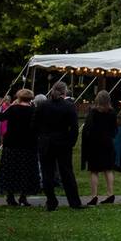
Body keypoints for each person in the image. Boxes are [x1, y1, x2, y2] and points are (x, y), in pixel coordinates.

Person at [34, 82, 84, 210]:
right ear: (65, 92)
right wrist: (71, 142)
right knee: (67, 173)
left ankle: (51, 201)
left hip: (46, 142)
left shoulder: (42, 106)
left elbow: (34, 124)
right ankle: (74, 202)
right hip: (63, 143)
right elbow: (74, 128)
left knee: (47, 173)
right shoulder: (69, 106)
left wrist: (42, 136)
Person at [0, 89, 39, 206]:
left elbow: (0, 118)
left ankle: (10, 196)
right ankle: (23, 196)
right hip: (28, 144)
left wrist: (11, 106)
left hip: (12, 143)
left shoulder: (13, 109)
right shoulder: (33, 110)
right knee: (26, 169)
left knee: (11, 169)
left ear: (19, 98)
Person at [81, 90, 118, 205]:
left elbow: (87, 129)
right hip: (107, 143)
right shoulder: (112, 113)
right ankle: (110, 193)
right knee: (108, 169)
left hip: (94, 144)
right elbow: (115, 130)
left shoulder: (93, 112)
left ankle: (94, 196)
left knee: (94, 171)